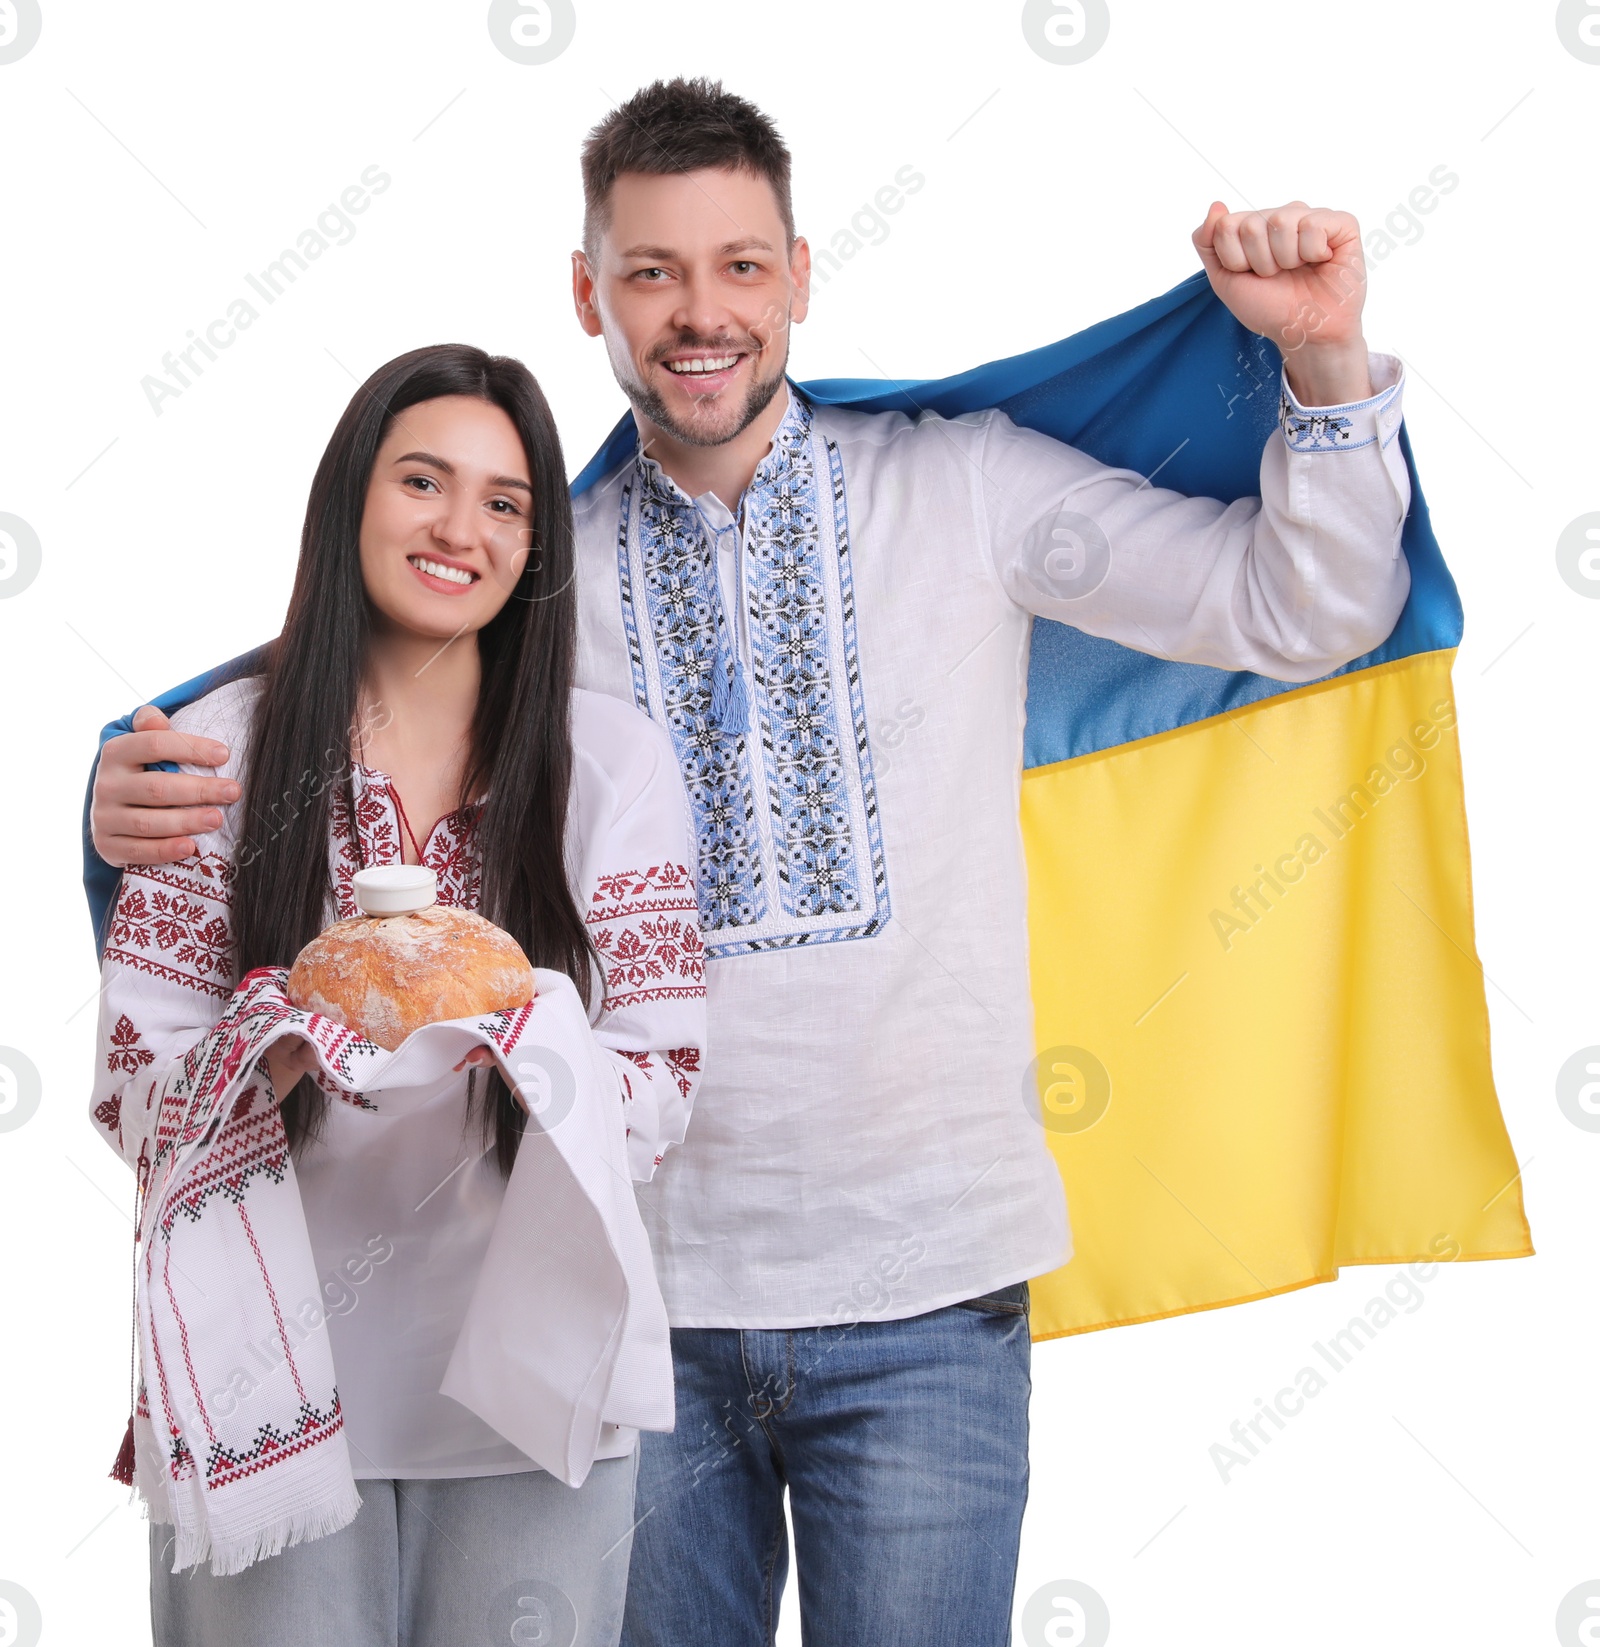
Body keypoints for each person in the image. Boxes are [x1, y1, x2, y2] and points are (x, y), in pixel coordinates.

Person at [89, 80, 1414, 1647]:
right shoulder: (537, 579)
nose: (697, 312)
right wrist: (122, 788)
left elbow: (1302, 609)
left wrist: (1323, 357)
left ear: (796, 272)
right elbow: (332, 721)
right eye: (650, 271)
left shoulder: (966, 487)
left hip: (933, 1285)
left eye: (736, 265)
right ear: (590, 293)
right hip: (630, 1307)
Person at [87, 344, 705, 1647]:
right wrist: (287, 1039)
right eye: (423, 480)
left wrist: (531, 1041)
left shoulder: (612, 762)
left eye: (504, 502)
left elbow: (663, 1078)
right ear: (350, 496)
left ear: (536, 545)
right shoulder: (212, 753)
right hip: (264, 1387)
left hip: (532, 1392)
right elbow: (135, 1093)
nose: (458, 529)